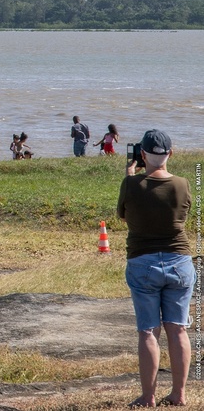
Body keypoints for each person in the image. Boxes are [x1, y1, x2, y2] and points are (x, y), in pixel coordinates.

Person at [118, 128, 195, 408]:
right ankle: (179, 394)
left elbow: (124, 216)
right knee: (178, 329)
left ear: (141, 154)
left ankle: (148, 396)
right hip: (179, 260)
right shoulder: (183, 184)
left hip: (143, 260)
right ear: (170, 154)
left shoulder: (131, 184)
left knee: (148, 331)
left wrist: (131, 174)